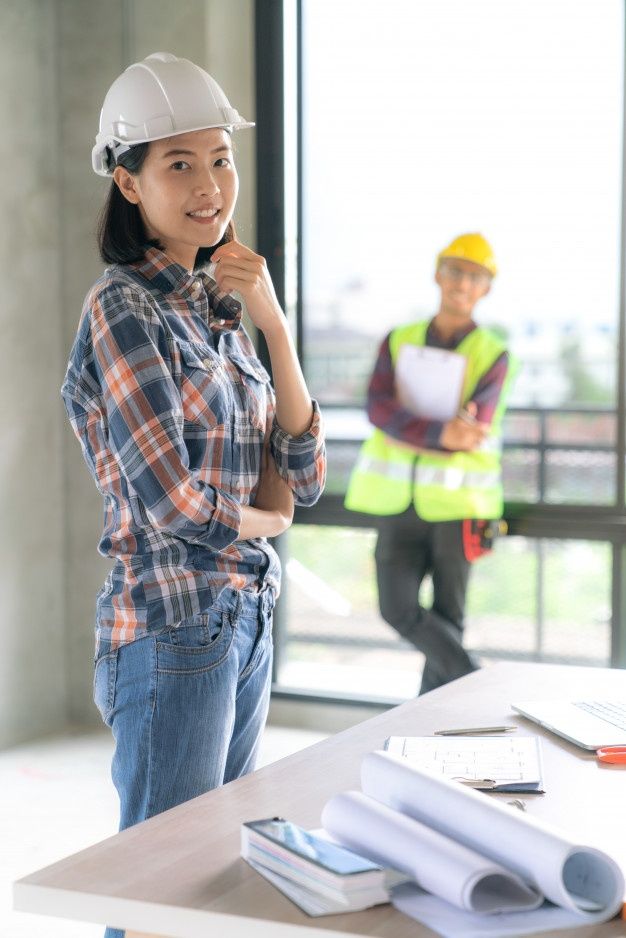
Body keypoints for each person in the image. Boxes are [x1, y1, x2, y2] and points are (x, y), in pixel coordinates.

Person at [61, 51, 326, 935]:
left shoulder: (223, 311)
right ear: (128, 183)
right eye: (179, 164)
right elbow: (177, 505)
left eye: (220, 158)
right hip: (172, 628)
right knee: (154, 889)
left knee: (217, 877)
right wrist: (270, 518)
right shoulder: (121, 306)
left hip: (244, 618)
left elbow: (308, 475)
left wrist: (276, 327)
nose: (210, 184)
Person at [345, 233, 511, 695]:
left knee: (448, 617)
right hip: (399, 501)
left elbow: (473, 429)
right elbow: (378, 409)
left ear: (486, 289)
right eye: (455, 270)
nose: (462, 282)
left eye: (474, 276)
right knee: (396, 607)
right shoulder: (398, 340)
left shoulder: (494, 354)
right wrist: (440, 434)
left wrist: (412, 426)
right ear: (438, 274)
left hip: (460, 506)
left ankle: (433, 722)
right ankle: (477, 683)